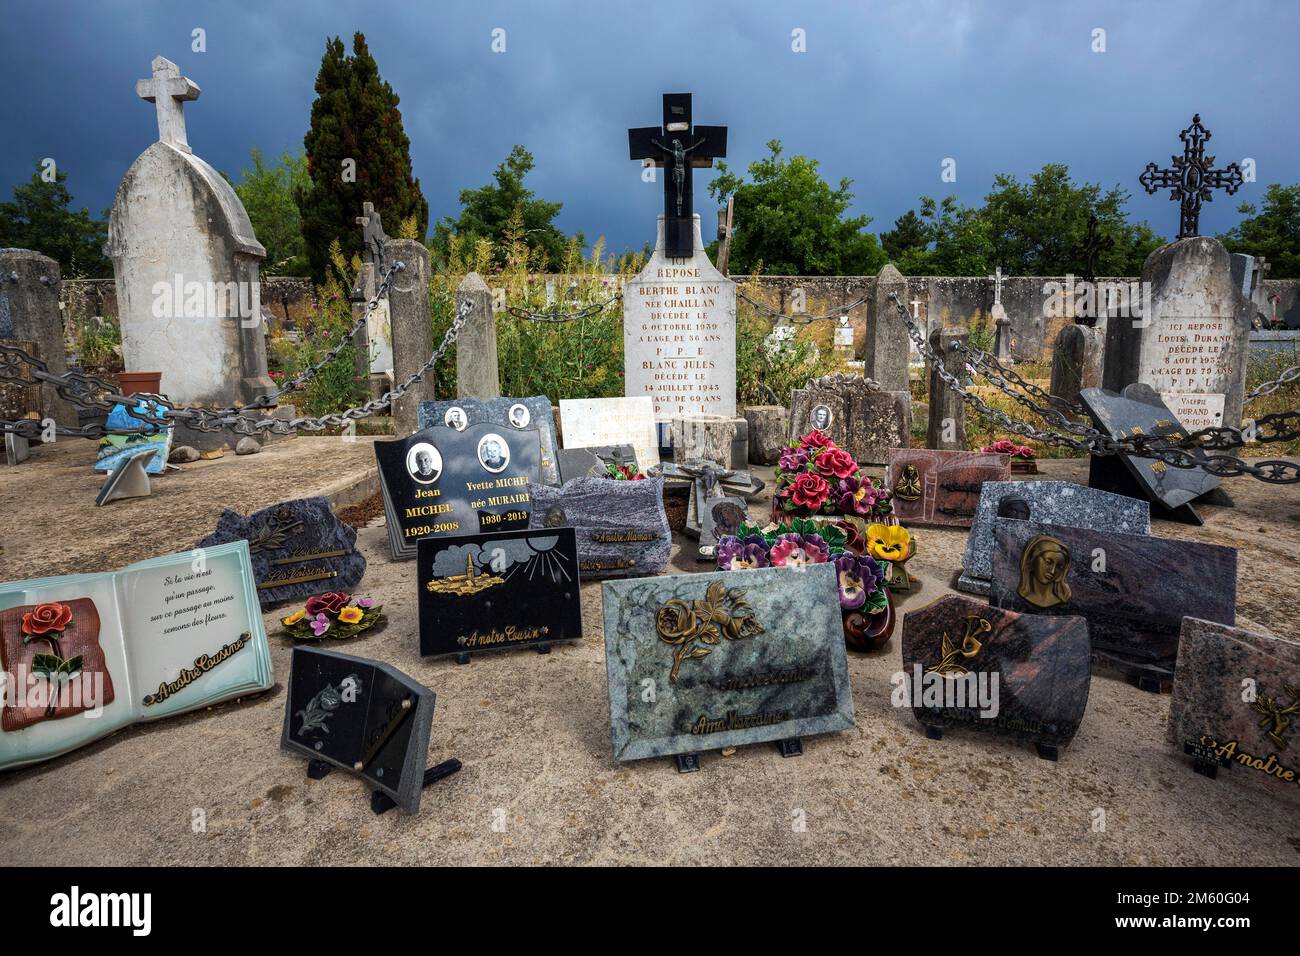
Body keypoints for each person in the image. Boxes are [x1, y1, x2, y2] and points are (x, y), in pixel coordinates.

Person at [1016, 534, 1072, 609]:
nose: (1052, 571)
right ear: (1033, 559)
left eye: (1059, 566)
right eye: (1048, 562)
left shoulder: (1061, 600)